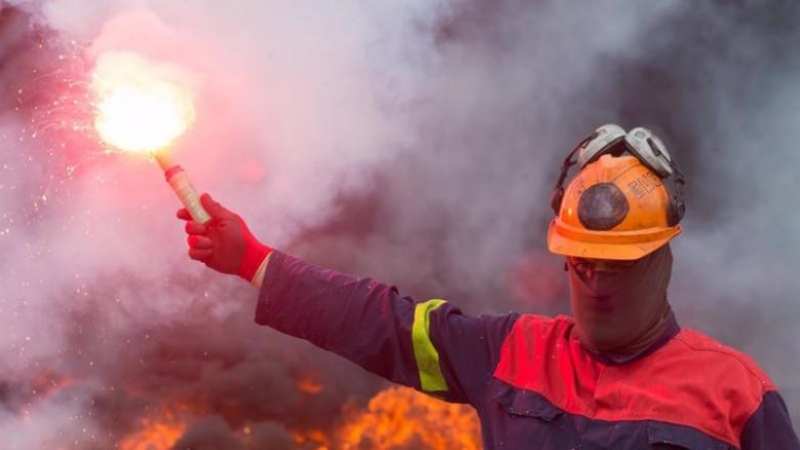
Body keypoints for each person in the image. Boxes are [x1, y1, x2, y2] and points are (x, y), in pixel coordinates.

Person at [178, 124, 800, 449]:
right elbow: (383, 322)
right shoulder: (512, 352)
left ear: (661, 257)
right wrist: (253, 260)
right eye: (583, 263)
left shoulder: (736, 395)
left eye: (618, 265)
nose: (597, 281)